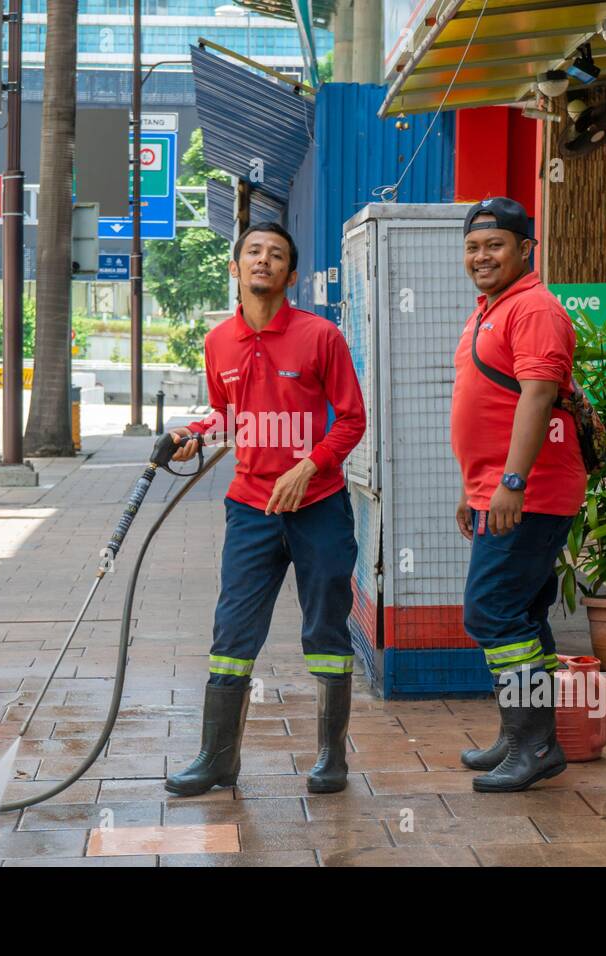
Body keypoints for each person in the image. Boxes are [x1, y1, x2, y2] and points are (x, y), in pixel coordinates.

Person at [165, 221, 366, 797]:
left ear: (291, 275)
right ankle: (216, 760)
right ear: (235, 267)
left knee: (326, 625)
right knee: (232, 630)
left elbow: (352, 418)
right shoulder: (218, 342)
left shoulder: (321, 336)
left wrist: (311, 465)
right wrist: (198, 432)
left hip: (319, 507)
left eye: (276, 254)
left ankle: (331, 758)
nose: (263, 260)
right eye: (253, 251)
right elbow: (228, 414)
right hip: (250, 509)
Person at [450, 198, 586, 793]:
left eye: (495, 245)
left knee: (491, 612)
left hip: (528, 492)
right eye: (474, 247)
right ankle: (522, 736)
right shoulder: (492, 308)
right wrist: (473, 486)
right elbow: (489, 403)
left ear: (525, 249)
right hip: (498, 489)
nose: (482, 256)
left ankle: (535, 744)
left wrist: (510, 483)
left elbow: (536, 397)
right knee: (523, 614)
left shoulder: (532, 308)